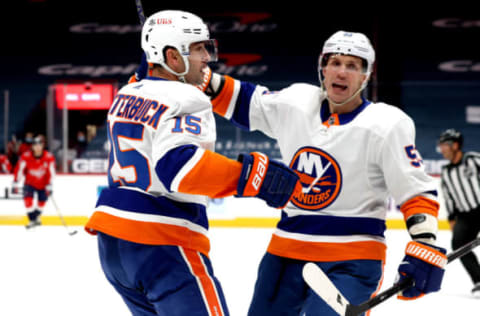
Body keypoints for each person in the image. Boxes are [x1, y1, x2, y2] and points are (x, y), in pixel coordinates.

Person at [195, 30, 447, 315]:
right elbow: (240, 99)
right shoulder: (296, 102)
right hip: (286, 252)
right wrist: (189, 73)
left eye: (353, 66)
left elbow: (414, 190)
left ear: (366, 76)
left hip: (352, 260)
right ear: (322, 68)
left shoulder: (387, 124)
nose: (342, 72)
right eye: (335, 63)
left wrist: (424, 242)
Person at [84, 10, 300, 316]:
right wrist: (254, 178)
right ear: (173, 57)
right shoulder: (189, 98)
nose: (207, 58)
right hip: (163, 245)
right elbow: (179, 168)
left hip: (114, 248)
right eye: (198, 48)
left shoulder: (127, 92)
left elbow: (147, 83)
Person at [437, 128, 480, 297]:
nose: (441, 149)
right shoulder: (446, 172)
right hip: (464, 215)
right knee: (458, 245)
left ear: (455, 145)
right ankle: (478, 279)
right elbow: (448, 197)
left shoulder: (473, 159)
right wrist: (451, 218)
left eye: (444, 145)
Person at [13, 136, 56, 229]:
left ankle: (35, 218)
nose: (37, 147)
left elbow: (51, 172)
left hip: (43, 184)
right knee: (28, 201)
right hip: (29, 183)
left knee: (42, 203)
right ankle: (33, 220)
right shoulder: (26, 156)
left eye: (39, 145)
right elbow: (19, 169)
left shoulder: (49, 157)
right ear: (32, 146)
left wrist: (50, 184)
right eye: (35, 145)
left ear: (43, 145)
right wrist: (16, 181)